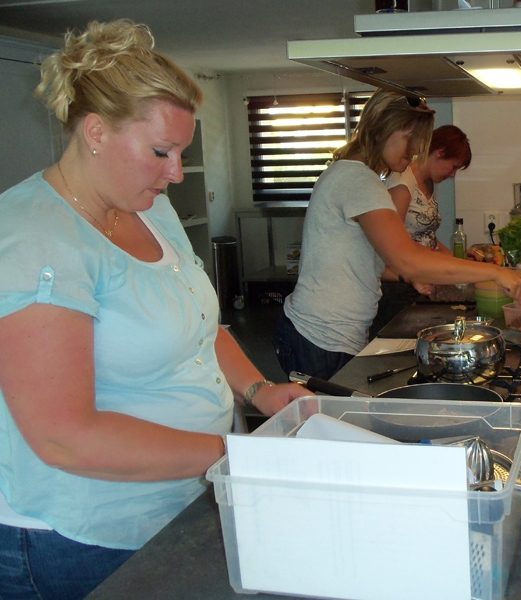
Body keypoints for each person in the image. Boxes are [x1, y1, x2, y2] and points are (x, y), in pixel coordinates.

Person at [0, 20, 311, 600]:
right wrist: (236, 455)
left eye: (181, 153)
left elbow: (198, 325)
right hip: (83, 536)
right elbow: (66, 438)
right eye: (161, 152)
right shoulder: (36, 240)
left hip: (180, 500)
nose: (176, 173)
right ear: (96, 131)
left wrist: (259, 391)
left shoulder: (149, 209)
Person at [273, 90, 521, 381]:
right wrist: (495, 272)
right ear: (383, 128)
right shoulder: (358, 180)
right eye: (410, 139)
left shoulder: (355, 176)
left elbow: (385, 255)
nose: (415, 150)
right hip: (319, 337)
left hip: (328, 335)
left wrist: (411, 276)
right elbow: (407, 258)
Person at [369, 124, 473, 338]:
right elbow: (387, 243)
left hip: (420, 278)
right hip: (399, 285)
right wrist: (412, 276)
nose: (453, 175)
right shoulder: (402, 183)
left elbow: (426, 237)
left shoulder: (428, 182)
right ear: (439, 153)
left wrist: (458, 261)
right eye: (453, 167)